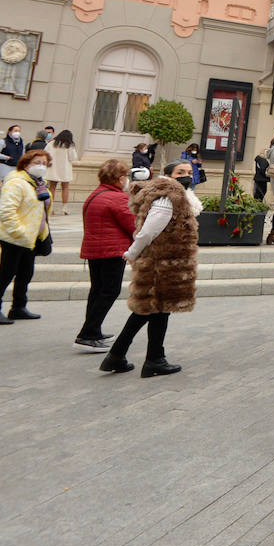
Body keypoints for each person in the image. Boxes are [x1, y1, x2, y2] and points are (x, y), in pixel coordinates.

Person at [100, 160, 199, 376]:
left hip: (166, 261)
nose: (187, 175)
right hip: (162, 262)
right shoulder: (168, 196)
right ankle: (145, 358)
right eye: (180, 172)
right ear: (168, 175)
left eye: (190, 172)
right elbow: (149, 230)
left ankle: (136, 357)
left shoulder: (175, 195)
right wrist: (132, 252)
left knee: (156, 310)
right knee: (150, 310)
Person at [74, 159, 137, 351]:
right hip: (112, 250)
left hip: (95, 250)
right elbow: (132, 225)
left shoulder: (97, 193)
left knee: (97, 291)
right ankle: (88, 334)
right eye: (125, 176)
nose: (127, 180)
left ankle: (93, 329)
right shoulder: (117, 198)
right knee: (109, 291)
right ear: (119, 178)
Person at [0, 148, 52, 324]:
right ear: (26, 164)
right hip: (15, 237)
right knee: (7, 273)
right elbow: (6, 211)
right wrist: (20, 232)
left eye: (44, 163)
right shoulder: (16, 182)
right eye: (37, 163)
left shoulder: (38, 183)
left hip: (31, 238)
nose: (41, 166)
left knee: (25, 273)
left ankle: (18, 307)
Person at [44, 129, 81, 213]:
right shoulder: (69, 145)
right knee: (65, 187)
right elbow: (73, 158)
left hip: (53, 168)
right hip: (65, 169)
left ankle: (51, 207)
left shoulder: (51, 143)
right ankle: (64, 208)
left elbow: (45, 153)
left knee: (52, 187)